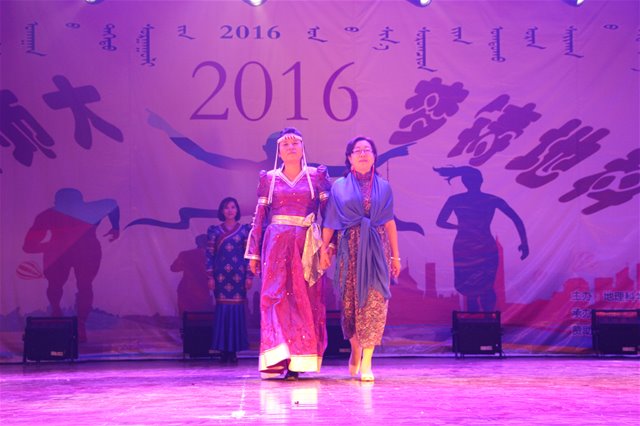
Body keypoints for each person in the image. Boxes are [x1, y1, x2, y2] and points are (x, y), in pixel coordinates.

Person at [245, 127, 331, 380]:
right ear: (279, 152)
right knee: (276, 297)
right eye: (286, 145)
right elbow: (259, 216)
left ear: (303, 148)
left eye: (295, 144)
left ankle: (299, 359)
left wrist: (329, 246)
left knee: (305, 297)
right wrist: (253, 253)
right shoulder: (269, 179)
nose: (291, 148)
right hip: (276, 243)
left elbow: (329, 214)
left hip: (306, 243)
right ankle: (278, 357)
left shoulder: (316, 176)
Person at [320, 137, 400, 382]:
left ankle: (367, 362)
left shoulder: (384, 187)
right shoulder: (339, 187)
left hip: (376, 248)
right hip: (349, 248)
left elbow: (389, 222)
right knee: (350, 305)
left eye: (368, 150)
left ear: (374, 156)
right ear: (350, 157)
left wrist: (395, 256)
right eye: (358, 150)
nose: (363, 154)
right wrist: (323, 250)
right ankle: (356, 347)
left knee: (374, 302)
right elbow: (330, 221)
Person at [22, 188, 120, 342]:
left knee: (77, 286)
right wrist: (115, 227)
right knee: (74, 286)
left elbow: (29, 246)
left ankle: (72, 320)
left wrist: (115, 226)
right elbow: (28, 246)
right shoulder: (50, 215)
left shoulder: (48, 215)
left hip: (79, 251)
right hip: (77, 251)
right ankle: (66, 317)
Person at [433, 166, 529, 312]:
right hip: (479, 245)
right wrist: (524, 243)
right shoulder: (491, 200)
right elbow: (516, 219)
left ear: (465, 182)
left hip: (467, 245)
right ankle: (484, 318)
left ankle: (481, 319)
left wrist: (459, 227)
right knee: (483, 286)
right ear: (481, 181)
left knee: (475, 287)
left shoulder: (456, 200)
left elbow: (440, 222)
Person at [206, 197, 253, 363]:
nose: (230, 210)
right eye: (226, 207)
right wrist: (210, 276)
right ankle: (223, 349)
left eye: (233, 207)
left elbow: (249, 256)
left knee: (236, 311)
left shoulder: (244, 231)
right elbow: (209, 255)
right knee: (222, 310)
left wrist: (249, 276)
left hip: (238, 278)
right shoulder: (214, 231)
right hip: (220, 278)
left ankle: (233, 350)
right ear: (222, 211)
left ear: (237, 210)